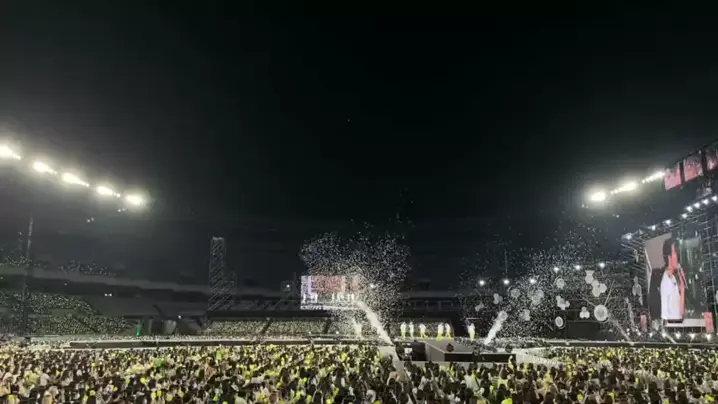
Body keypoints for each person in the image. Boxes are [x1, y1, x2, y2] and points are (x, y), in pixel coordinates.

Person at [660, 238, 685, 321]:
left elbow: (681, 312)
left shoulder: (673, 278)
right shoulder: (665, 282)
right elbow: (664, 316)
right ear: (669, 257)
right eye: (675, 252)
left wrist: (682, 288)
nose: (678, 256)